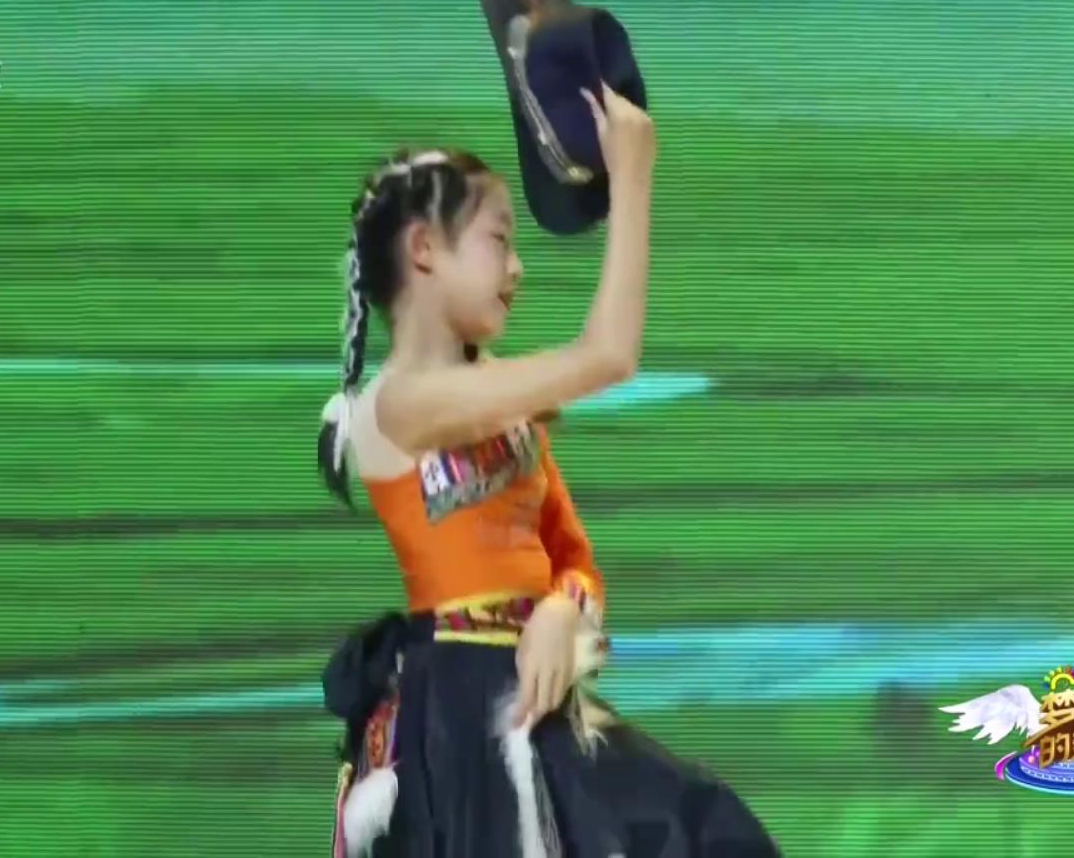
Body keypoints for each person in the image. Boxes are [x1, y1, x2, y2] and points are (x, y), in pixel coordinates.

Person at [317, 86, 780, 858]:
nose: (517, 267)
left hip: (539, 700)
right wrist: (631, 176)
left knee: (706, 828)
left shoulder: (509, 416)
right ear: (425, 249)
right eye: (498, 240)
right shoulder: (399, 405)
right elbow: (608, 357)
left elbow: (575, 559)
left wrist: (563, 610)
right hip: (462, 713)